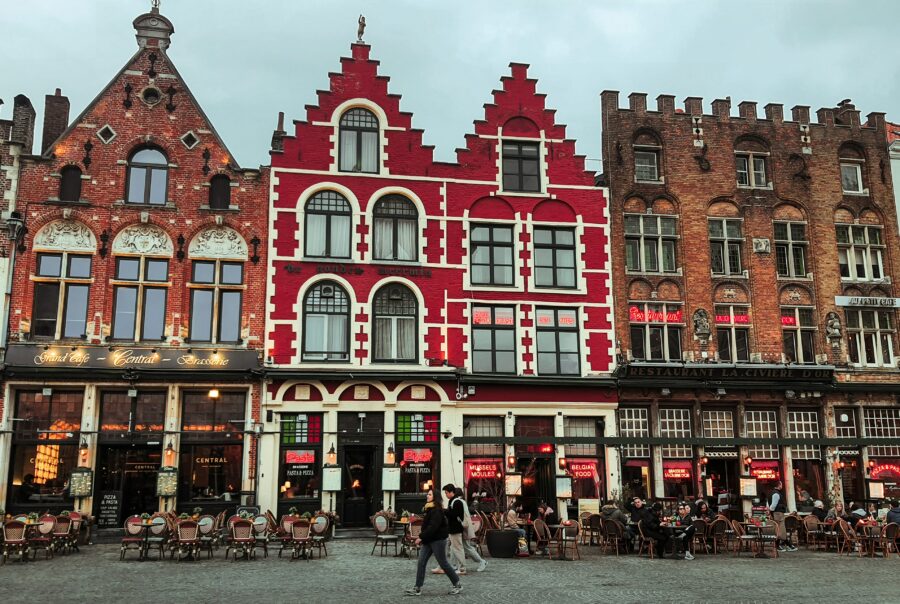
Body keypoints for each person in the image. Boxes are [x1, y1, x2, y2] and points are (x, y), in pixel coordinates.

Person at [405, 489, 462, 597]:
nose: (427, 496)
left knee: (443, 563)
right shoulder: (429, 509)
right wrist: (423, 537)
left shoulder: (436, 510)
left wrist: (420, 537)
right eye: (427, 494)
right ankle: (417, 588)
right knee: (421, 562)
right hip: (429, 540)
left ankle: (457, 584)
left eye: (430, 494)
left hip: (438, 540)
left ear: (435, 497)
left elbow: (433, 527)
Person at [447, 487, 487, 573]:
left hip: (462, 527)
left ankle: (481, 561)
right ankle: (453, 565)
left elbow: (462, 516)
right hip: (462, 527)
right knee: (455, 547)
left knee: (464, 547)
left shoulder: (459, 502)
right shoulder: (461, 501)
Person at [768, 480, 796, 552]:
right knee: (780, 529)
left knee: (779, 529)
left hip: (776, 513)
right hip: (778, 513)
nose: (782, 485)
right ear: (779, 485)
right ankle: (787, 545)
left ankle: (784, 545)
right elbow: (773, 505)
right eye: (781, 484)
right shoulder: (776, 494)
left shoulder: (772, 493)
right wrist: (770, 511)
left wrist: (770, 511)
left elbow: (768, 504)